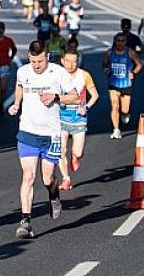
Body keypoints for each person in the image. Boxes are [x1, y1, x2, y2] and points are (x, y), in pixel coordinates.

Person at [8, 40, 78, 239]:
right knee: (28, 176)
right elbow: (19, 86)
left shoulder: (58, 73)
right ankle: (25, 221)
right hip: (28, 132)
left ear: (47, 56)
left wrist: (56, 97)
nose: (36, 65)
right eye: (33, 61)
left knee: (47, 178)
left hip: (51, 135)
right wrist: (16, 103)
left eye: (40, 61)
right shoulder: (23, 71)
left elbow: (75, 97)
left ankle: (54, 194)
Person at [57, 49, 99, 190]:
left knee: (78, 152)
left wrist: (85, 107)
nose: (70, 64)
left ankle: (76, 157)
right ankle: (66, 179)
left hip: (79, 119)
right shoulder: (56, 75)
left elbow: (95, 96)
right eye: (67, 61)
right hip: (61, 119)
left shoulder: (84, 75)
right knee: (60, 151)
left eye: (74, 61)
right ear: (62, 61)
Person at [103, 32, 143, 139]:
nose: (120, 43)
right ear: (115, 41)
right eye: (118, 41)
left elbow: (139, 64)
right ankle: (116, 130)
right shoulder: (109, 53)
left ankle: (125, 114)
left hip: (126, 84)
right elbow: (104, 64)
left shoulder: (130, 53)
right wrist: (106, 70)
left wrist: (133, 72)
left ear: (126, 42)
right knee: (115, 106)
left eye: (123, 41)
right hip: (113, 83)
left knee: (124, 109)